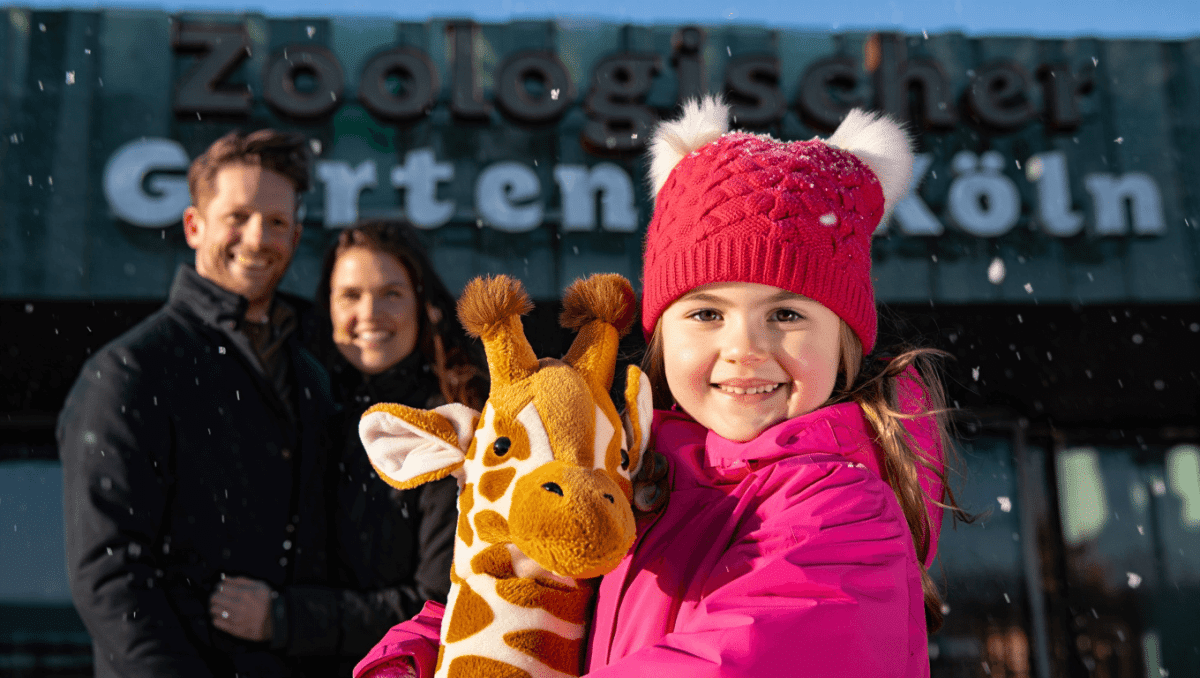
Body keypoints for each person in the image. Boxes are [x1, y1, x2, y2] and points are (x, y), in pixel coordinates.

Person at [353, 96, 965, 678]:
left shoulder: (846, 513)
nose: (744, 348)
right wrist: (425, 655)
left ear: (845, 345)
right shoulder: (638, 477)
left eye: (786, 315)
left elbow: (740, 658)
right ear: (663, 338)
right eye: (706, 314)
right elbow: (516, 580)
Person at [58, 129, 338, 678]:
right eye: (238, 216)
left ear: (297, 235)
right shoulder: (131, 371)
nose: (258, 238)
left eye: (277, 222)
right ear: (194, 225)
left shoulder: (311, 376)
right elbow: (110, 575)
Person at [211, 220, 487, 676]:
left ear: (423, 306)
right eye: (351, 296)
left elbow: (438, 601)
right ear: (329, 309)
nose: (370, 313)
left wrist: (284, 618)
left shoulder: (450, 427)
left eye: (391, 293)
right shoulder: (308, 411)